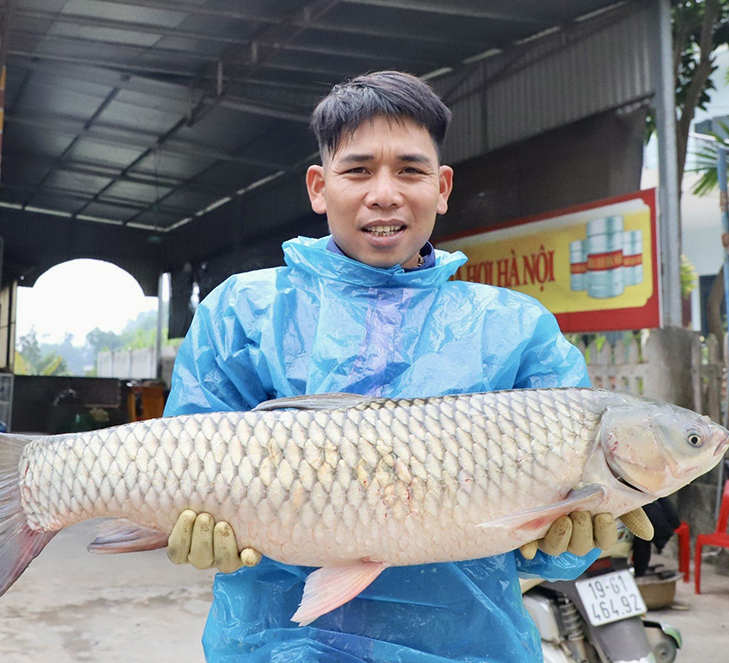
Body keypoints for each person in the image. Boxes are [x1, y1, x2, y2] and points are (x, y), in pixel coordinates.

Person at [161, 71, 651, 662]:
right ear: (319, 187)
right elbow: (182, 466)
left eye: (410, 171)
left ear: (443, 188)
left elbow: (548, 546)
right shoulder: (241, 311)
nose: (385, 193)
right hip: (274, 645)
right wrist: (190, 532)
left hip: (469, 647)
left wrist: (573, 542)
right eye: (359, 170)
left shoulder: (517, 327)